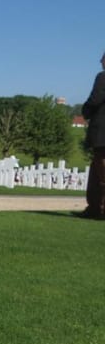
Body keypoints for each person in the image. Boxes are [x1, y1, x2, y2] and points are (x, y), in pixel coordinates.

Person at [78, 51, 105, 219]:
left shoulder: (103, 77)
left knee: (101, 170)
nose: (100, 60)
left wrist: (85, 111)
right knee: (95, 172)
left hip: (102, 132)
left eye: (103, 57)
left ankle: (100, 208)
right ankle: (94, 207)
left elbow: (95, 100)